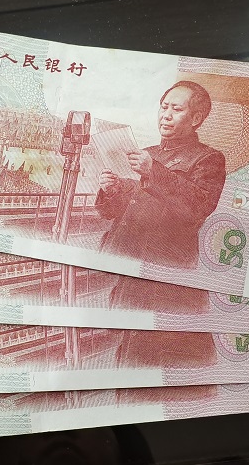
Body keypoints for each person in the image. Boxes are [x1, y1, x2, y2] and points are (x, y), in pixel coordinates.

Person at [95, 80, 226, 312]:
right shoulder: (149, 153)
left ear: (195, 119)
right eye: (164, 107)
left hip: (165, 276)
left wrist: (152, 171)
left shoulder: (208, 158)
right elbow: (118, 210)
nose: (166, 115)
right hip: (126, 269)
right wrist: (113, 190)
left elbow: (198, 208)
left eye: (176, 109)